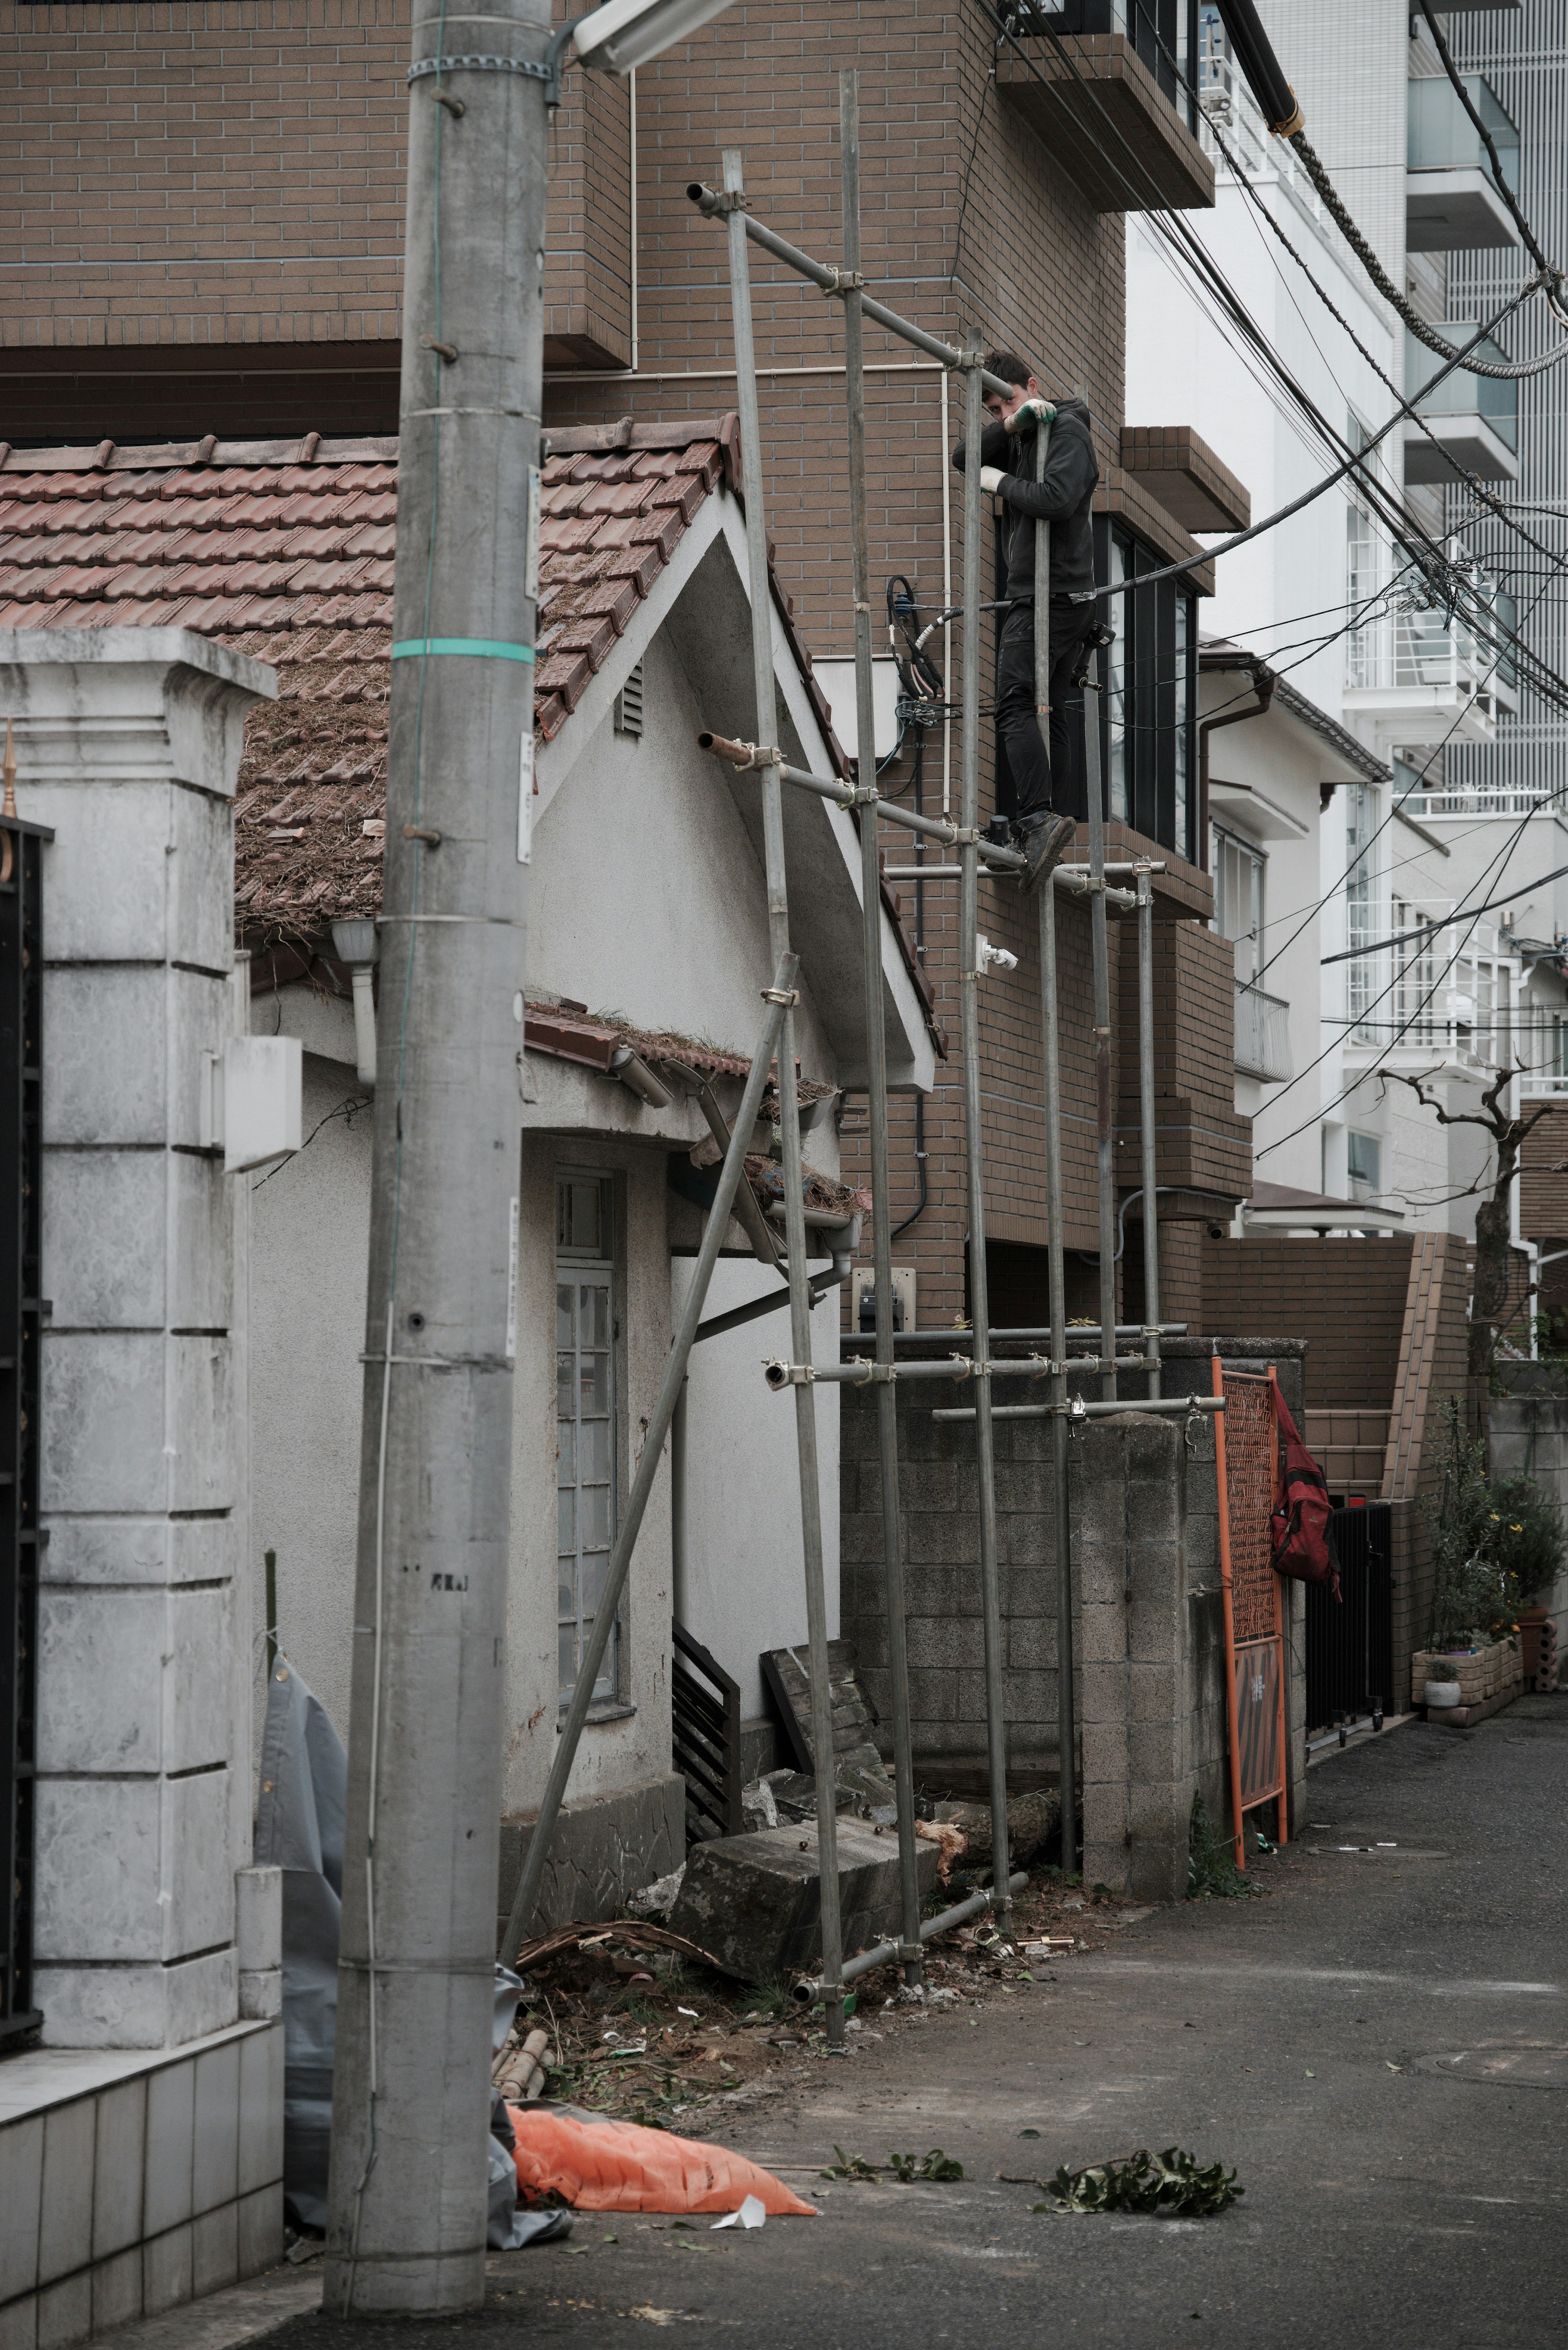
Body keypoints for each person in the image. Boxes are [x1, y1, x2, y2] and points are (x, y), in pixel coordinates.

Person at [952, 352, 1100, 889]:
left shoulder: (1066, 431)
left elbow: (1057, 499)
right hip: (1056, 595)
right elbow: (964, 457)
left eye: (1007, 401)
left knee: (1015, 704)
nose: (1000, 414)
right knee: (1048, 710)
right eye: (992, 409)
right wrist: (1012, 425)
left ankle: (1037, 819)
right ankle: (1045, 820)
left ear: (1032, 385)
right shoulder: (1022, 434)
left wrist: (1000, 484)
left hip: (1048, 594)